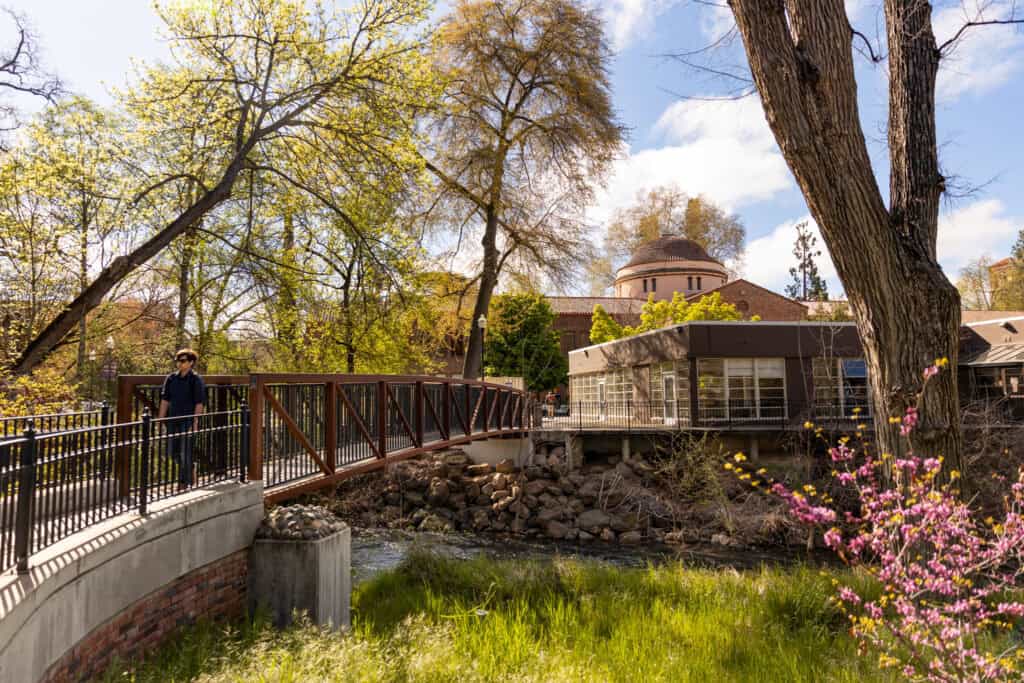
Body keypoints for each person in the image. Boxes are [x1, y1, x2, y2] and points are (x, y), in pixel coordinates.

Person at [158, 348, 206, 491]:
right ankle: (191, 468)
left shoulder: (195, 380)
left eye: (183, 361)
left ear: (191, 362)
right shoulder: (171, 378)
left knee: (185, 451)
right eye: (177, 360)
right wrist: (160, 420)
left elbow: (199, 403)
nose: (179, 363)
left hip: (188, 420)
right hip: (173, 419)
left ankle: (183, 483)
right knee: (171, 452)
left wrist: (195, 422)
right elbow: (165, 400)